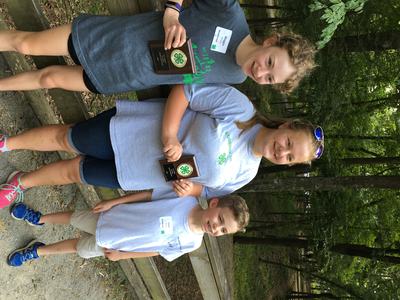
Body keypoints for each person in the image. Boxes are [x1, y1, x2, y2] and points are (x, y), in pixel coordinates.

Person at [0, 84, 324, 208]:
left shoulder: (247, 173)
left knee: (76, 172)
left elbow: (209, 193)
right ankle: (7, 143)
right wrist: (170, 136)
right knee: (67, 139)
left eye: (291, 157)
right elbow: (186, 91)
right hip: (134, 133)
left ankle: (19, 183)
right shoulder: (240, 109)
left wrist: (190, 190)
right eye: (289, 143)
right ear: (285, 125)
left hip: (139, 173)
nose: (283, 152)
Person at [0, 0, 315, 94]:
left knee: (49, 80)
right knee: (26, 44)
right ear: (271, 43)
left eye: (270, 79)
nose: (262, 72)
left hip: (123, 77)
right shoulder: (229, 13)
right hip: (113, 38)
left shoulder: (237, 78)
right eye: (270, 62)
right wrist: (172, 13)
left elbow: (186, 83)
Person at [7, 191, 249, 267]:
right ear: (214, 204)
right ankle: (39, 219)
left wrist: (123, 255)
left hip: (117, 244)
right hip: (114, 217)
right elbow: (148, 194)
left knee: (80, 248)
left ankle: (37, 252)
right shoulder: (185, 199)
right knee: (75, 219)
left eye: (223, 230)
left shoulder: (192, 243)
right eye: (220, 219)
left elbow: (157, 251)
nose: (216, 227)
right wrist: (114, 202)